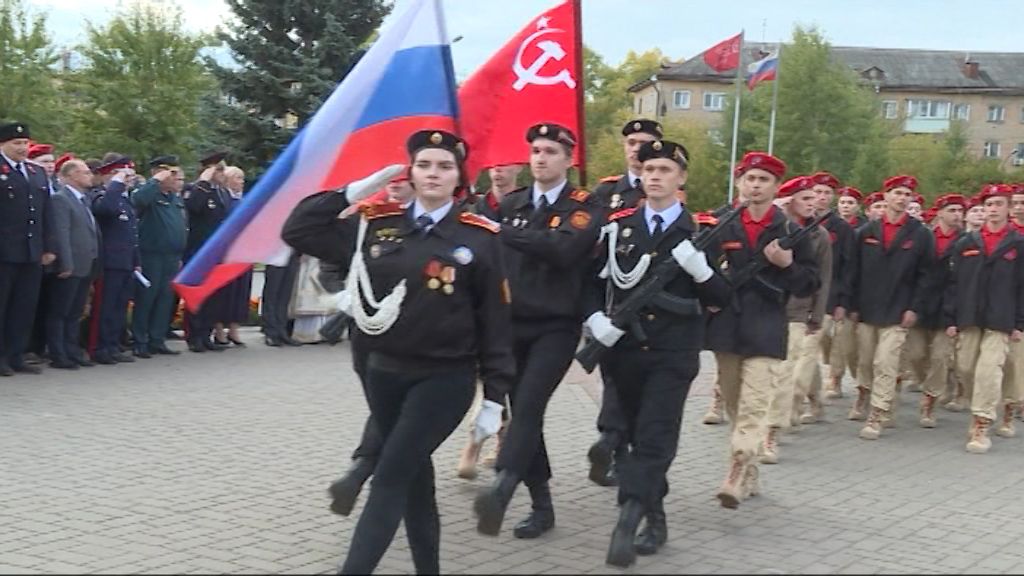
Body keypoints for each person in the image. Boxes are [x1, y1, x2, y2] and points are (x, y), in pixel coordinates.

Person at [282, 129, 514, 575]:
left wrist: (494, 396)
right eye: (424, 164)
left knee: (389, 477)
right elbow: (300, 230)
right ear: (411, 171)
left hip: (445, 378)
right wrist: (350, 192)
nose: (433, 174)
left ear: (458, 176)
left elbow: (495, 321)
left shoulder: (480, 237)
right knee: (414, 483)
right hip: (383, 374)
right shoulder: (377, 222)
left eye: (444, 166)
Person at [584, 139, 729, 567]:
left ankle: (628, 520)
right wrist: (595, 320)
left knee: (655, 439)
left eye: (665, 169)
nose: (655, 176)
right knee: (629, 438)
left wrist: (700, 269)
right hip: (623, 350)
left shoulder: (701, 232)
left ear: (681, 178)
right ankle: (657, 516)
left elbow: (723, 296)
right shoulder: (618, 227)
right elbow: (591, 283)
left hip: (672, 353)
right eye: (648, 169)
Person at [472, 123, 604, 540]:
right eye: (535, 151)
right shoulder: (510, 203)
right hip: (511, 325)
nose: (541, 158)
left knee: (528, 407)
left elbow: (563, 249)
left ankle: (503, 486)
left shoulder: (583, 204)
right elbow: (484, 250)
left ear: (568, 160)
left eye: (550, 151)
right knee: (523, 416)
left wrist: (501, 231)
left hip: (555, 327)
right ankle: (542, 504)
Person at [704, 152, 820, 509]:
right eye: (749, 178)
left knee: (755, 406)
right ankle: (750, 464)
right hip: (726, 327)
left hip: (767, 328)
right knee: (737, 403)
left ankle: (735, 472)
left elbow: (808, 283)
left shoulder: (791, 230)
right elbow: (700, 269)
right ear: (739, 182)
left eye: (763, 180)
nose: (755, 186)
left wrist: (786, 266)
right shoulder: (720, 223)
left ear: (775, 187)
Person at [587, 118, 663, 487]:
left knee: (635, 382)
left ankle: (614, 440)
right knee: (613, 374)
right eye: (631, 142)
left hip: (649, 305)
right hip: (611, 300)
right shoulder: (606, 192)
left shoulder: (665, 189)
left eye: (645, 143)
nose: (636, 148)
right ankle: (613, 445)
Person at [847, 176, 935, 438]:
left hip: (899, 310)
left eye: (907, 194)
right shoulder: (866, 232)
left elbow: (927, 275)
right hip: (867, 308)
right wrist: (851, 304)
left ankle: (878, 412)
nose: (902, 198)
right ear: (885, 196)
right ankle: (864, 393)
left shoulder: (920, 234)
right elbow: (853, 272)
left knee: (886, 361)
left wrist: (914, 308)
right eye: (897, 193)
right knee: (865, 360)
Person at [944, 184, 1024, 453]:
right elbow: (953, 283)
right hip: (969, 316)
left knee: (988, 370)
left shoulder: (1019, 243)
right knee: (966, 368)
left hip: (1001, 319)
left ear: (1009, 208)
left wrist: (1019, 322)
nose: (993, 210)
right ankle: (989, 402)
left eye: (999, 204)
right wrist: (951, 317)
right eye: (988, 205)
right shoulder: (966, 243)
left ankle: (981, 424)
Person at [763, 176, 832, 463]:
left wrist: (817, 315)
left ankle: (770, 432)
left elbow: (824, 277)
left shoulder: (819, 235)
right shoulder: (771, 226)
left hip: (796, 311)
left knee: (785, 372)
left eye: (814, 198)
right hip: (764, 308)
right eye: (805, 198)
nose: (812, 203)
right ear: (788, 200)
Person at [0, 122, 55, 376]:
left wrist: (48, 246)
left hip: (31, 251)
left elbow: (46, 212)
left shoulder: (35, 172)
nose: (22, 148)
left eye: (25, 143)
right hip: (5, 252)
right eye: (16, 143)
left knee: (24, 306)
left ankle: (16, 354)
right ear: (3, 144)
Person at [906, 194, 965, 427]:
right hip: (921, 304)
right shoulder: (924, 237)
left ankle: (929, 401)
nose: (957, 215)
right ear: (939, 212)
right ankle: (928, 383)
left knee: (940, 357)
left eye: (960, 210)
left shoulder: (967, 240)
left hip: (948, 308)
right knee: (915, 355)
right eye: (952, 210)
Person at [89, 158, 150, 364]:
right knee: (105, 307)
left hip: (125, 262)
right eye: (124, 174)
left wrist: (136, 261)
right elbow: (105, 209)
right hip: (109, 263)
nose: (128, 179)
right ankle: (100, 347)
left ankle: (113, 345)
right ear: (108, 175)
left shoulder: (125, 200)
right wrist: (115, 183)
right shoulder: (101, 195)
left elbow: (132, 235)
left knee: (119, 307)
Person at [45, 159, 101, 369]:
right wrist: (65, 263)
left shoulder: (83, 199)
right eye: (85, 172)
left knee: (76, 312)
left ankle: (72, 350)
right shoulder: (61, 199)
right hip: (71, 265)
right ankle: (58, 354)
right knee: (60, 311)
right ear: (71, 175)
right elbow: (62, 233)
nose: (90, 176)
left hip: (86, 263)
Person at [131, 156, 187, 358]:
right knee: (147, 299)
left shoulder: (175, 198)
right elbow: (136, 201)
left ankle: (157, 339)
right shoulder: (149, 195)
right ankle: (140, 340)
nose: (176, 179)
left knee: (165, 300)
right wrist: (155, 181)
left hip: (172, 257)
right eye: (172, 174)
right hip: (151, 255)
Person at [810, 174, 853, 406]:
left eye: (827, 193)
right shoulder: (800, 222)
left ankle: (834, 378)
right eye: (818, 192)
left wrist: (842, 301)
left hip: (830, 295)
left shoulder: (842, 228)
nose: (822, 197)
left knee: (815, 344)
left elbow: (848, 267)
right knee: (810, 349)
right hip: (803, 294)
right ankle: (812, 394)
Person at [184, 151, 231, 353]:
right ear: (209, 170)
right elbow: (193, 207)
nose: (223, 173)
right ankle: (194, 336)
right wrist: (203, 182)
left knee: (213, 296)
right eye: (219, 169)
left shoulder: (222, 192)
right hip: (198, 251)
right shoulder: (195, 189)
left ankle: (206, 334)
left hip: (216, 253)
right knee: (197, 295)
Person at [210, 166, 252, 347]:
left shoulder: (245, 200)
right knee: (224, 291)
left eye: (242, 178)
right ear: (227, 180)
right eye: (238, 178)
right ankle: (219, 329)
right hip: (226, 252)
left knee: (241, 291)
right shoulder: (224, 200)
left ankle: (234, 328)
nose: (241, 182)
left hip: (244, 251)